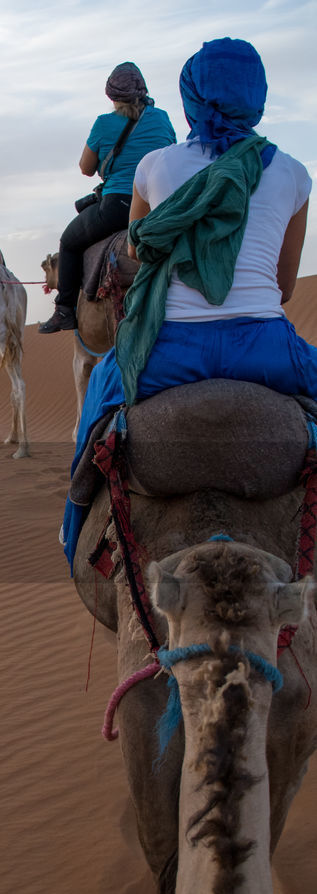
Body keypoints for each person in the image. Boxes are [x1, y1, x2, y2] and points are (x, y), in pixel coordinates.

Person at [62, 36, 313, 568]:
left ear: (191, 96)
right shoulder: (293, 173)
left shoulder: (155, 168)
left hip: (169, 351)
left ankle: (75, 531)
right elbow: (284, 287)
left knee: (100, 399)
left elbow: (136, 252)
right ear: (256, 97)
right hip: (265, 346)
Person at [40, 63, 176, 333]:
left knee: (69, 241)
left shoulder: (104, 123)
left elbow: (86, 168)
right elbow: (171, 153)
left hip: (119, 205)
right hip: (160, 206)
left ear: (112, 97)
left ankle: (65, 309)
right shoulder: (161, 118)